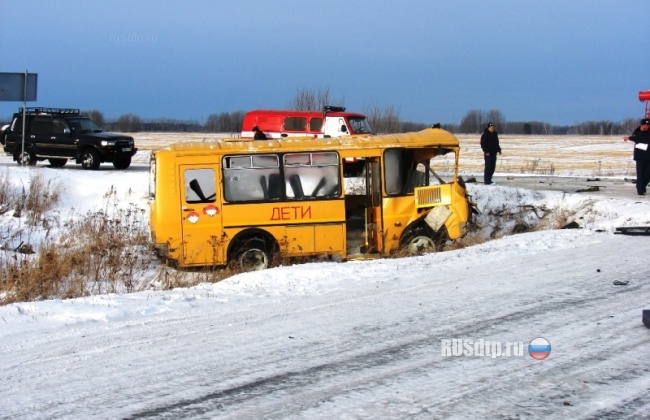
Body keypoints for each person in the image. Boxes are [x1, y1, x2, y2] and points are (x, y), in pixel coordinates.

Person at [624, 118, 650, 195]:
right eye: (644, 125)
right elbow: (636, 138)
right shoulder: (637, 131)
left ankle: (642, 186)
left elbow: (647, 139)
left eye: (647, 125)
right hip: (640, 156)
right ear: (641, 125)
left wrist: (630, 138)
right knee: (640, 173)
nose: (646, 127)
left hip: (649, 155)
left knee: (648, 174)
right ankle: (640, 190)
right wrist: (641, 133)